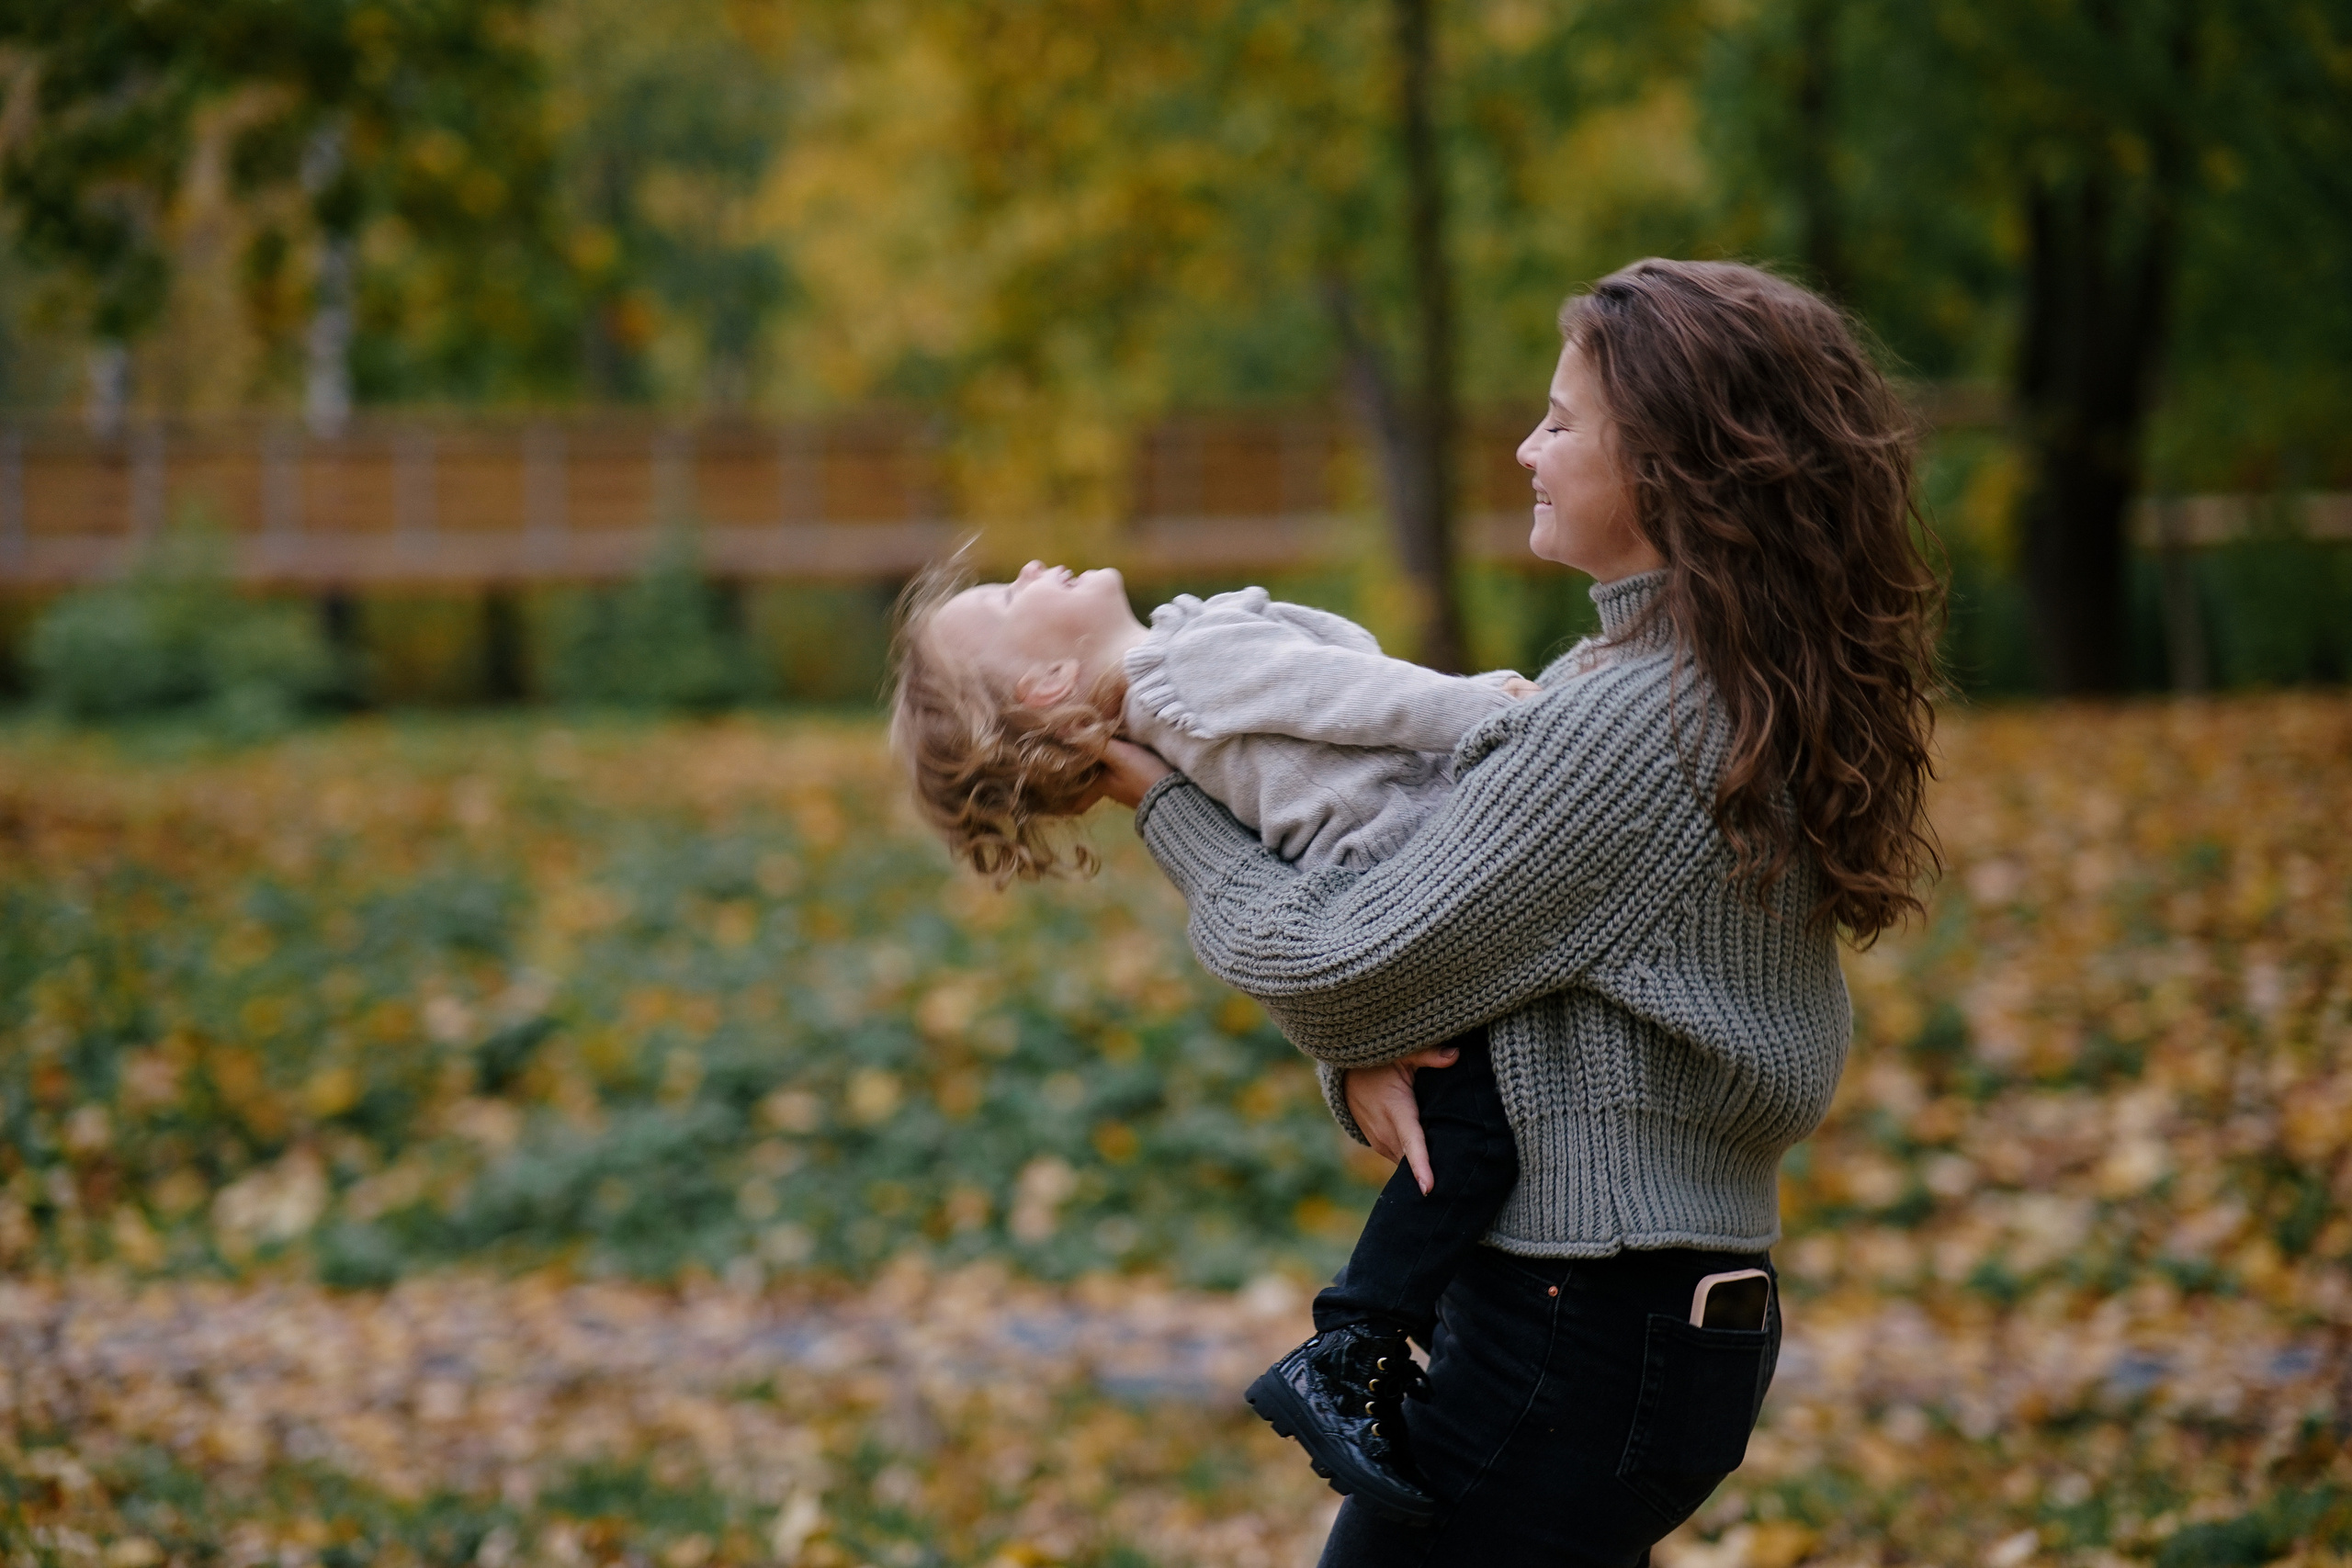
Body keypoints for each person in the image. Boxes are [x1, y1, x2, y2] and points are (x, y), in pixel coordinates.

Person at [1089, 258, 1943, 1566]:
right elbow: (1460, 953)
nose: (1523, 448)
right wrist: (1367, 1048)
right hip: (1646, 1308)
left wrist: (1157, 798)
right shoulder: (1698, 681)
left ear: (1667, 461)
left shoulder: (1631, 723)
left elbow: (1346, 962)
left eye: (1559, 421)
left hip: (1578, 1326)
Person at [890, 556, 1620, 1521]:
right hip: (1405, 861)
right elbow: (1360, 696)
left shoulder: (1174, 681)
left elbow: (1324, 682)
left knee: (1469, 1126)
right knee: (1480, 1127)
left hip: (1383, 877)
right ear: (1045, 684)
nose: (1027, 566)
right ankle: (1353, 1339)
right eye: (1008, 598)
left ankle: (1379, 1337)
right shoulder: (1185, 666)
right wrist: (1502, 712)